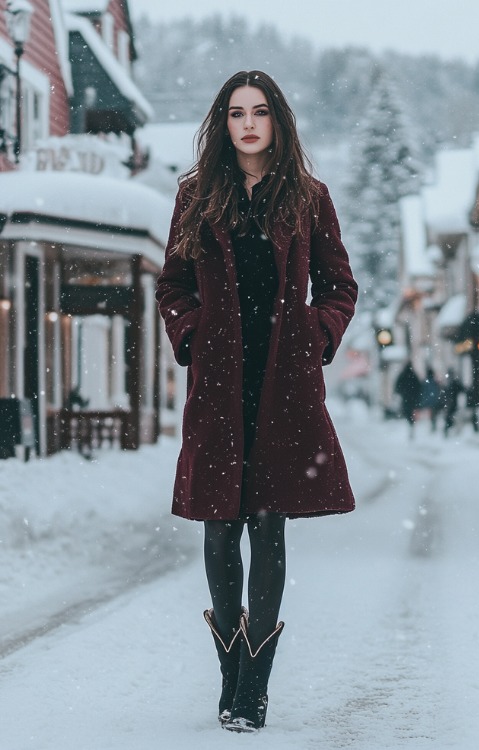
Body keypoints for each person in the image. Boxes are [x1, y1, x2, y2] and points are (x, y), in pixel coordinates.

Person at [155, 70, 358, 732]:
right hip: (218, 381)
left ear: (278, 122)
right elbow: (173, 285)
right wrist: (192, 333)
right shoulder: (196, 197)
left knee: (267, 525)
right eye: (236, 112)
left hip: (282, 382)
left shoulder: (309, 198)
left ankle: (254, 689)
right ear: (224, 123)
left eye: (260, 111)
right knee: (220, 527)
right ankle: (230, 674)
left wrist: (314, 335)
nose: (247, 123)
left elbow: (339, 286)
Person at [394, 361, 421, 438]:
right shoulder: (414, 375)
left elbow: (397, 387)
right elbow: (419, 387)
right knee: (411, 413)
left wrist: (401, 393)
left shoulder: (403, 375)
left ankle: (410, 424)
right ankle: (411, 425)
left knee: (407, 412)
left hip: (405, 398)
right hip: (412, 399)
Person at [419, 366, 442, 432]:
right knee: (433, 413)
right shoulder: (435, 382)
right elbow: (437, 391)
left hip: (428, 400)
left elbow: (423, 391)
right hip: (434, 400)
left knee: (430, 413)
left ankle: (431, 424)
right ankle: (433, 423)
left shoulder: (425, 382)